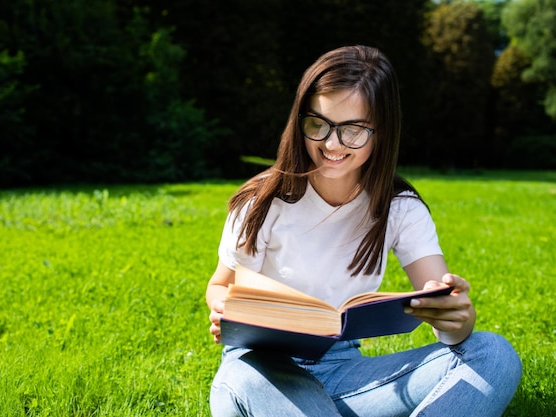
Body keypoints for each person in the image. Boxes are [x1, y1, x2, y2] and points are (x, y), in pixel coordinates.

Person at [206, 45, 521, 417]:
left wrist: (457, 318)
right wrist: (224, 307)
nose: (331, 143)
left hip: (343, 372)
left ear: (381, 131)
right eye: (317, 124)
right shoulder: (264, 200)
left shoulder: (399, 208)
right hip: (261, 368)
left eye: (352, 129)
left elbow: (441, 304)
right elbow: (219, 285)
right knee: (248, 379)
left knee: (493, 354)